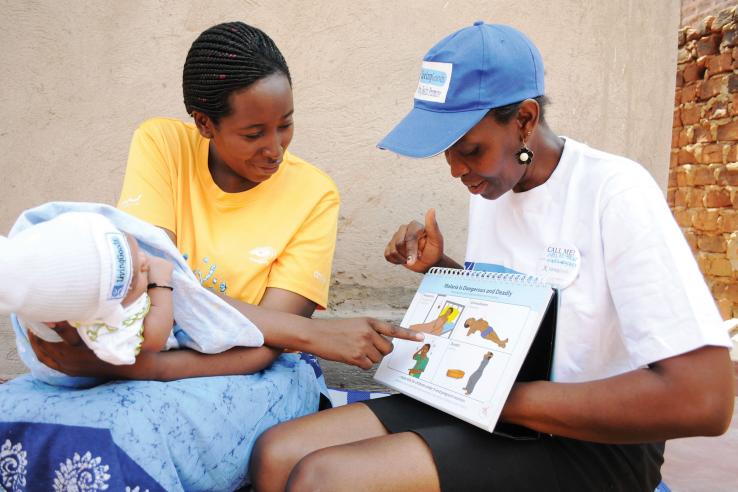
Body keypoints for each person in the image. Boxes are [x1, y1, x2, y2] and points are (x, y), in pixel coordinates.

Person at [249, 22, 735, 492]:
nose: (456, 169)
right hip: (494, 403)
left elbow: (706, 399)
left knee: (328, 480)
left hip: (590, 440)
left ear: (524, 120)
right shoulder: (495, 187)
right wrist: (445, 273)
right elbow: (521, 318)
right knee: (278, 453)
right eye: (448, 152)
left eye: (470, 149)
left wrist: (501, 397)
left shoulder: (615, 193)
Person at [0, 22, 420, 491]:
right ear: (204, 123)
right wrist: (310, 333)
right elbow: (141, 287)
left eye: (286, 125)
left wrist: (146, 367)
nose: (275, 149)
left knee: (130, 436)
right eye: (254, 133)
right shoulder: (163, 145)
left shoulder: (313, 194)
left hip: (250, 371)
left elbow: (267, 344)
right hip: (140, 346)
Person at [1, 211, 174, 366]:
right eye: (135, 279)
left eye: (134, 250)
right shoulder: (100, 331)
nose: (144, 259)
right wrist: (160, 282)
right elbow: (155, 340)